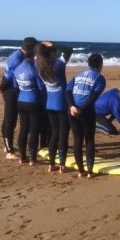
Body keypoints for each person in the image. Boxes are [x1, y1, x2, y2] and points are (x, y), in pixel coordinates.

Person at [0, 37, 38, 160]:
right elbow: (7, 77)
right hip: (10, 91)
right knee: (10, 120)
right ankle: (9, 151)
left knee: (8, 119)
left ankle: (7, 146)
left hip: (13, 90)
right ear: (30, 48)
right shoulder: (16, 58)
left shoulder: (20, 55)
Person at [66, 54, 106, 178]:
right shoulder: (99, 78)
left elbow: (67, 91)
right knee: (89, 140)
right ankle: (89, 171)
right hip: (86, 112)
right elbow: (93, 97)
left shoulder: (78, 75)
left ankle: (80, 171)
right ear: (100, 65)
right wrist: (81, 109)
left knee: (77, 140)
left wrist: (72, 106)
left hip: (72, 112)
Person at [36, 41, 73, 173]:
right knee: (63, 134)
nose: (57, 54)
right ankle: (62, 165)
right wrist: (54, 43)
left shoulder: (39, 66)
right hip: (62, 104)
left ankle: (51, 164)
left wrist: (45, 47)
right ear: (51, 53)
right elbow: (69, 50)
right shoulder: (58, 64)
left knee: (54, 134)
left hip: (49, 105)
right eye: (55, 52)